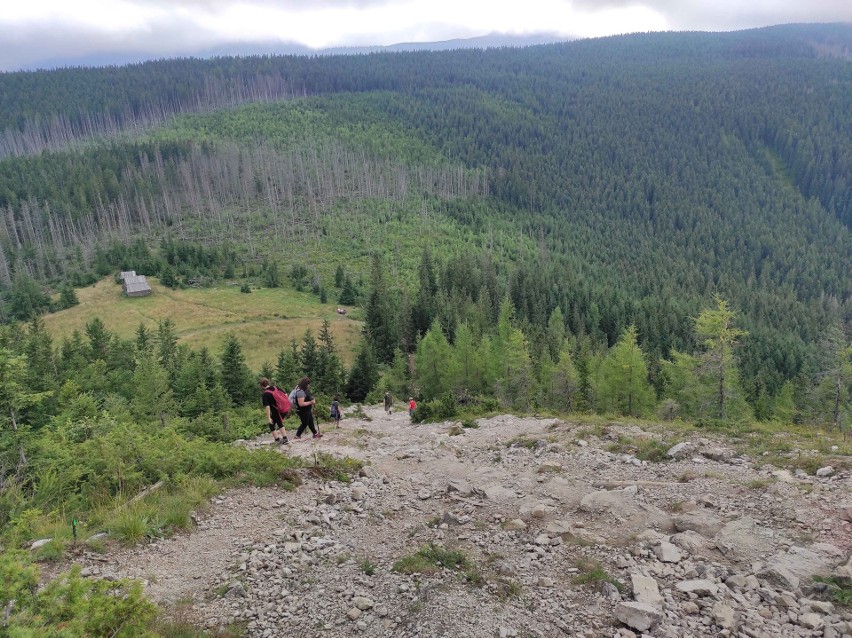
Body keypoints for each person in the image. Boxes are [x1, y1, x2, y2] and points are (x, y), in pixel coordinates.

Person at [259, 378, 289, 446]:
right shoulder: (275, 387)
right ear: (268, 382)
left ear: (261, 385)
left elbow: (267, 407)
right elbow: (286, 395)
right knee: (278, 423)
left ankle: (281, 440)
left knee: (273, 424)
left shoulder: (265, 394)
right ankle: (282, 439)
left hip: (277, 411)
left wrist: (269, 417)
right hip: (284, 408)